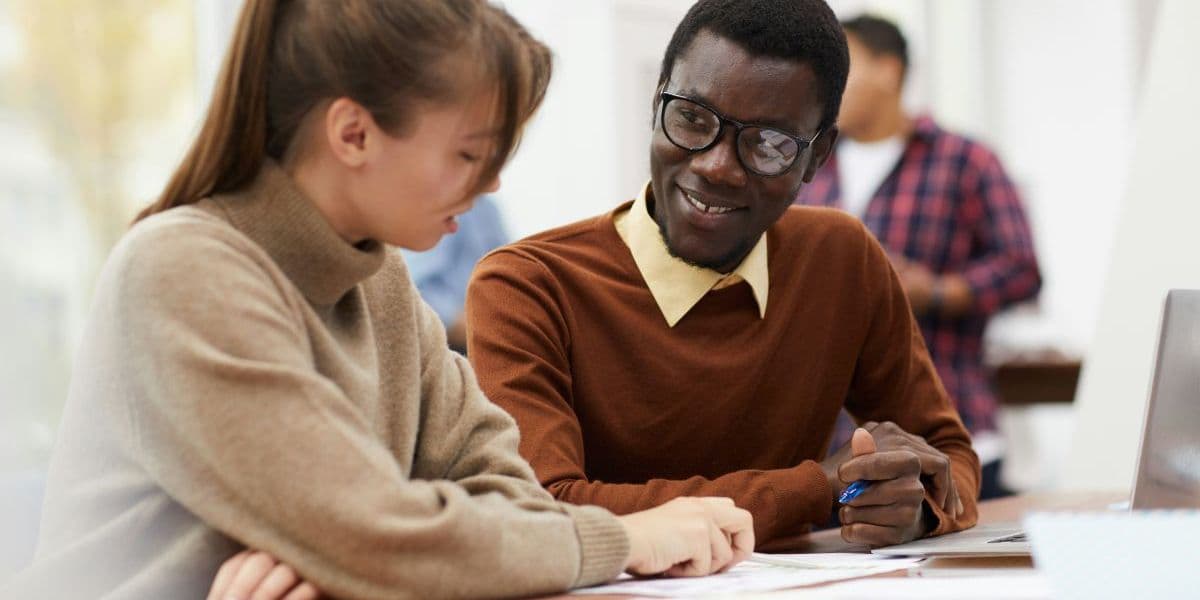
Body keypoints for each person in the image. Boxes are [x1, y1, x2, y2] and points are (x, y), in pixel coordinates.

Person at [5, 1, 756, 598]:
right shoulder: (183, 270)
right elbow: (374, 535)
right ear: (354, 134)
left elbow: (504, 497)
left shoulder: (379, 277)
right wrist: (622, 541)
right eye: (470, 153)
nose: (492, 183)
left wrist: (372, 564)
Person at [466, 0, 979, 551]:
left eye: (768, 144)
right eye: (691, 118)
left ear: (817, 157)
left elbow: (947, 458)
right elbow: (546, 511)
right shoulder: (527, 286)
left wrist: (910, 507)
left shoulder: (842, 260)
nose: (716, 166)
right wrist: (814, 487)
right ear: (656, 98)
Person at [794, 15, 1042, 500]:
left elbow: (1021, 268)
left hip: (953, 430)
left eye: (841, 68)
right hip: (835, 449)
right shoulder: (809, 169)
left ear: (889, 71)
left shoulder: (965, 160)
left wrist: (935, 291)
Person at [402, 195, 509, 353]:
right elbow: (418, 292)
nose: (495, 185)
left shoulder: (487, 209)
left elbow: (509, 278)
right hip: (450, 342)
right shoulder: (438, 203)